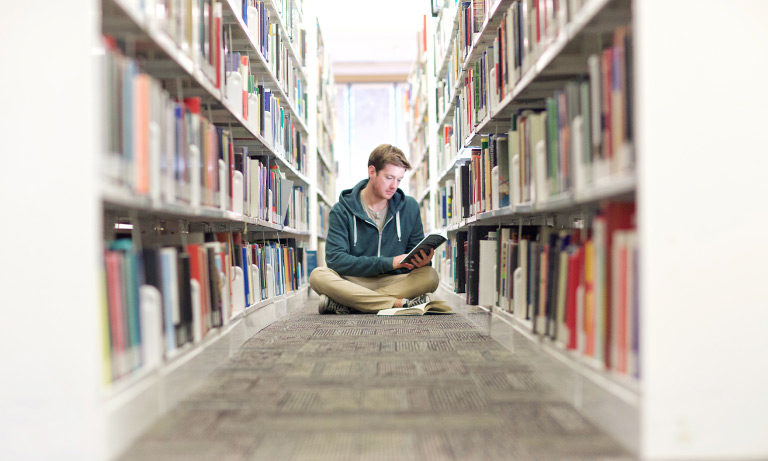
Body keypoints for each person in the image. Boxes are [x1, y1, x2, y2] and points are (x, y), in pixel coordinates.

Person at [309, 144, 439, 314]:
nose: (394, 185)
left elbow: (412, 257)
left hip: (395, 281)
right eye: (389, 177)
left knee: (430, 275)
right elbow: (336, 260)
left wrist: (422, 262)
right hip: (355, 281)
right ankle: (397, 304)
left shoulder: (410, 207)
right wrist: (390, 262)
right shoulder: (341, 210)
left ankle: (350, 303)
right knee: (318, 276)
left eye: (399, 179)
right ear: (372, 172)